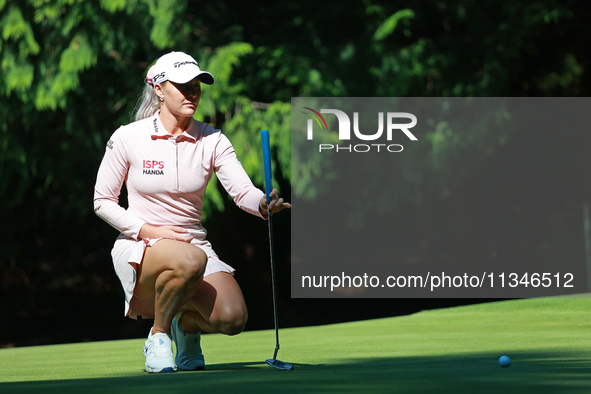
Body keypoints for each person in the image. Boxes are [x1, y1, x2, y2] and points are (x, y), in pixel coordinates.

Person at [93, 51, 290, 373]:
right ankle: (158, 337)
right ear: (158, 89)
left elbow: (243, 192)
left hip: (193, 247)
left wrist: (263, 203)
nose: (192, 92)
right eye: (183, 85)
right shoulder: (128, 137)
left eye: (197, 85)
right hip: (142, 247)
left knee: (232, 318)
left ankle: (186, 326)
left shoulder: (212, 139)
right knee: (189, 259)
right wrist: (152, 232)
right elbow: (102, 201)